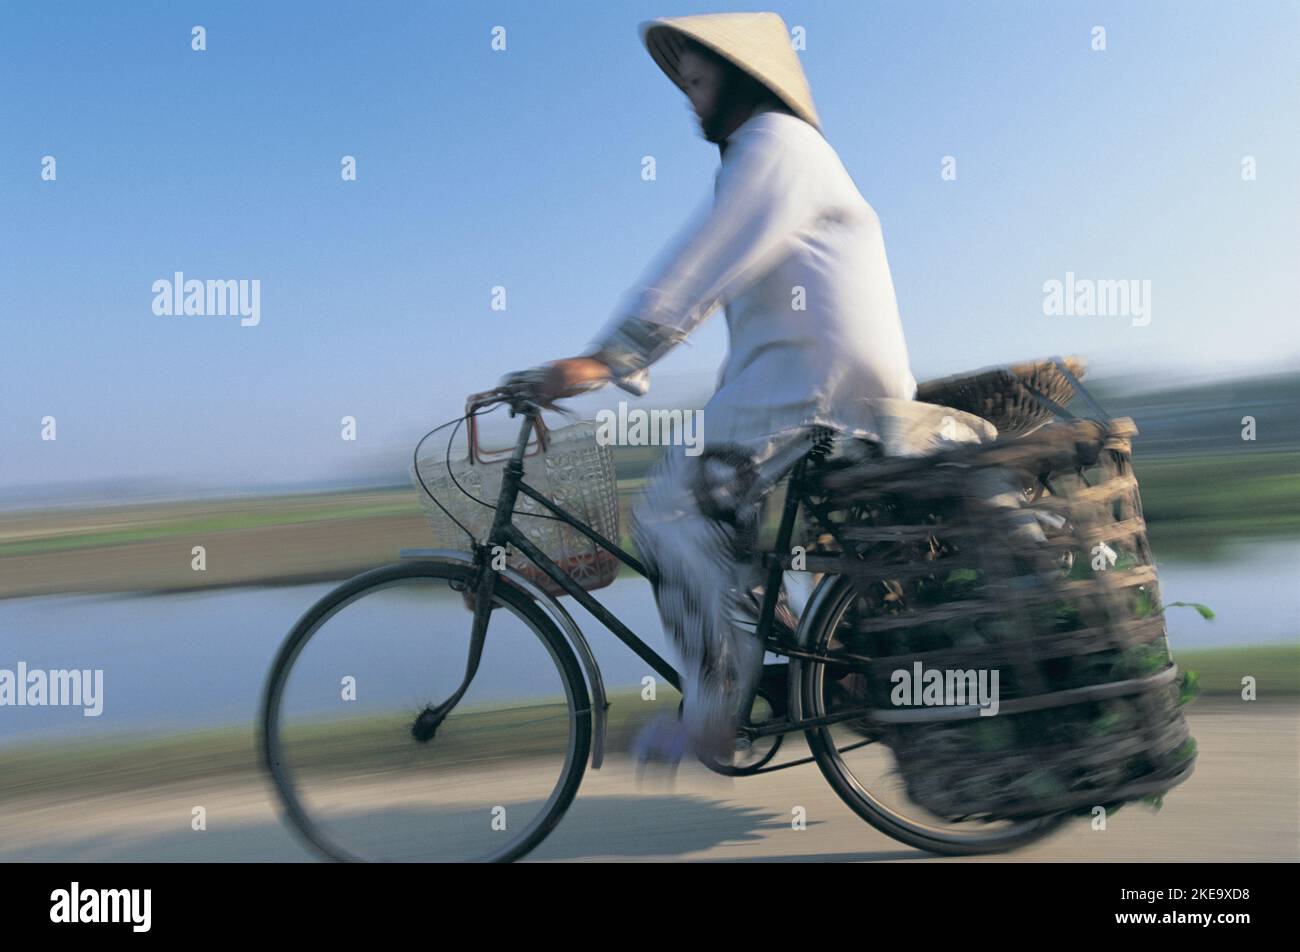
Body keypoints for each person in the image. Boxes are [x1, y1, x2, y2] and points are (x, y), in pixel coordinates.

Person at [504, 12, 918, 769]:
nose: (689, 99)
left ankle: (710, 717)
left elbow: (703, 258)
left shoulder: (776, 145)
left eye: (698, 80)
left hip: (820, 390)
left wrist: (603, 359)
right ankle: (781, 668)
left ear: (741, 78)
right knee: (724, 522)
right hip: (814, 383)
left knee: (666, 511)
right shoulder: (781, 156)